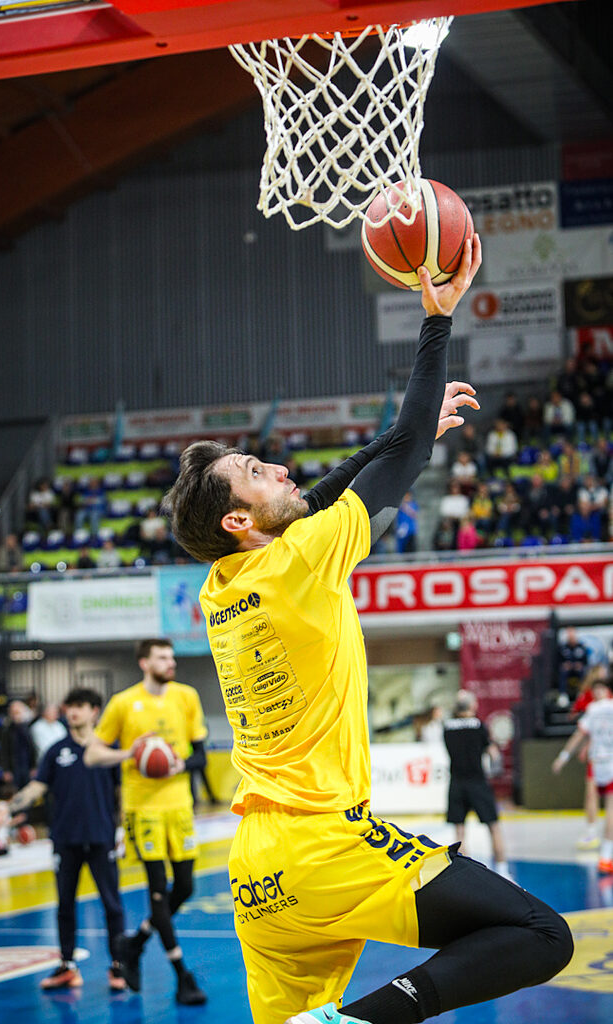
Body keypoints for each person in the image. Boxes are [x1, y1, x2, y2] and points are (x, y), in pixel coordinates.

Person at [163, 240, 572, 1024]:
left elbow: (319, 496)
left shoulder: (223, 586)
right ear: (239, 521)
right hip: (324, 843)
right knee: (539, 934)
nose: (279, 470)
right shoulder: (298, 561)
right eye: (255, 471)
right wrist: (435, 320)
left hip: (257, 870)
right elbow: (387, 466)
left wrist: (397, 437)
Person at [84, 638, 208, 1005]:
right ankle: (182, 976)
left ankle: (135, 943)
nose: (171, 662)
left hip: (179, 807)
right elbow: (92, 755)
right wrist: (131, 752)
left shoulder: (186, 697)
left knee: (184, 887)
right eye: (162, 657)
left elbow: (200, 755)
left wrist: (178, 763)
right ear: (144, 663)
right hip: (143, 809)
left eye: (171, 657)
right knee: (157, 890)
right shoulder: (123, 703)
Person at [8, 687, 127, 990]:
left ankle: (118, 965)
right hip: (66, 839)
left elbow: (121, 792)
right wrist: (8, 808)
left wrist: (123, 829)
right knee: (65, 906)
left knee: (112, 905)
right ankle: (67, 966)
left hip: (101, 838)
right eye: (69, 706)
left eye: (80, 706)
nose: (73, 711)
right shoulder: (55, 750)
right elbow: (37, 787)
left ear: (94, 711)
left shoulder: (108, 750)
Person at [442, 690, 511, 878]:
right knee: (493, 826)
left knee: (459, 831)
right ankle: (503, 870)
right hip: (477, 782)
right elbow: (493, 755)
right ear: (473, 706)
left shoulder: (447, 728)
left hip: (457, 783)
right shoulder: (479, 726)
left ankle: (465, 875)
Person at [553, 676, 613, 874]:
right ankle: (604, 851)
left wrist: (563, 757)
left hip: (601, 760)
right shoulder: (598, 709)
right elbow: (581, 735)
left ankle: (599, 844)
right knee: (599, 800)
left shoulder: (594, 710)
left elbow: (579, 734)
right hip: (601, 760)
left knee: (604, 803)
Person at [0, 698, 37, 789]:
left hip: (26, 765)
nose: (16, 715)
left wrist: (33, 766)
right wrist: (6, 770)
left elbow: (32, 748)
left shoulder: (27, 728)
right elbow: (4, 751)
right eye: (14, 712)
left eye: (18, 712)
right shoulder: (7, 730)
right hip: (14, 766)